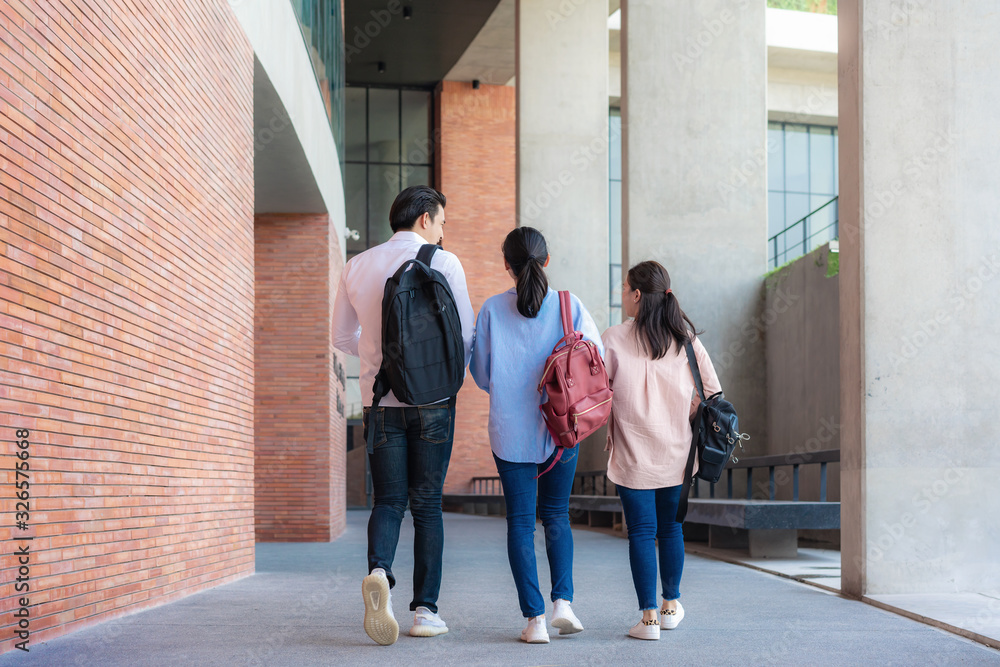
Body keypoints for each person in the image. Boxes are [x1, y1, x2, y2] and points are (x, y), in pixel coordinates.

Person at [332, 186, 475, 645]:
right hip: (432, 404)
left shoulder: (356, 265)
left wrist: (379, 356)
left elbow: (341, 336)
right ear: (425, 220)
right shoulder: (444, 263)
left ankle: (379, 571)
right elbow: (464, 337)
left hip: (380, 403)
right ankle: (426, 612)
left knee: (388, 502)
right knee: (428, 505)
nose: (441, 230)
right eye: (441, 222)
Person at [469, 227, 601, 644]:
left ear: (506, 264)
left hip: (510, 434)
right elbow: (595, 361)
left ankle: (535, 621)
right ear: (546, 261)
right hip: (562, 430)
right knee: (558, 516)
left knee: (521, 524)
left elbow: (482, 373)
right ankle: (564, 602)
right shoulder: (570, 304)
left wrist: (511, 389)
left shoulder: (491, 310)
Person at [601, 260, 722, 641]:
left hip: (631, 455)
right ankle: (671, 606)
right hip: (677, 455)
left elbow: (597, 396)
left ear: (637, 295)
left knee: (640, 533)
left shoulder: (613, 338)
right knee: (671, 531)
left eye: (624, 288)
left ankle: (649, 619)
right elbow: (714, 394)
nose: (623, 294)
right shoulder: (686, 338)